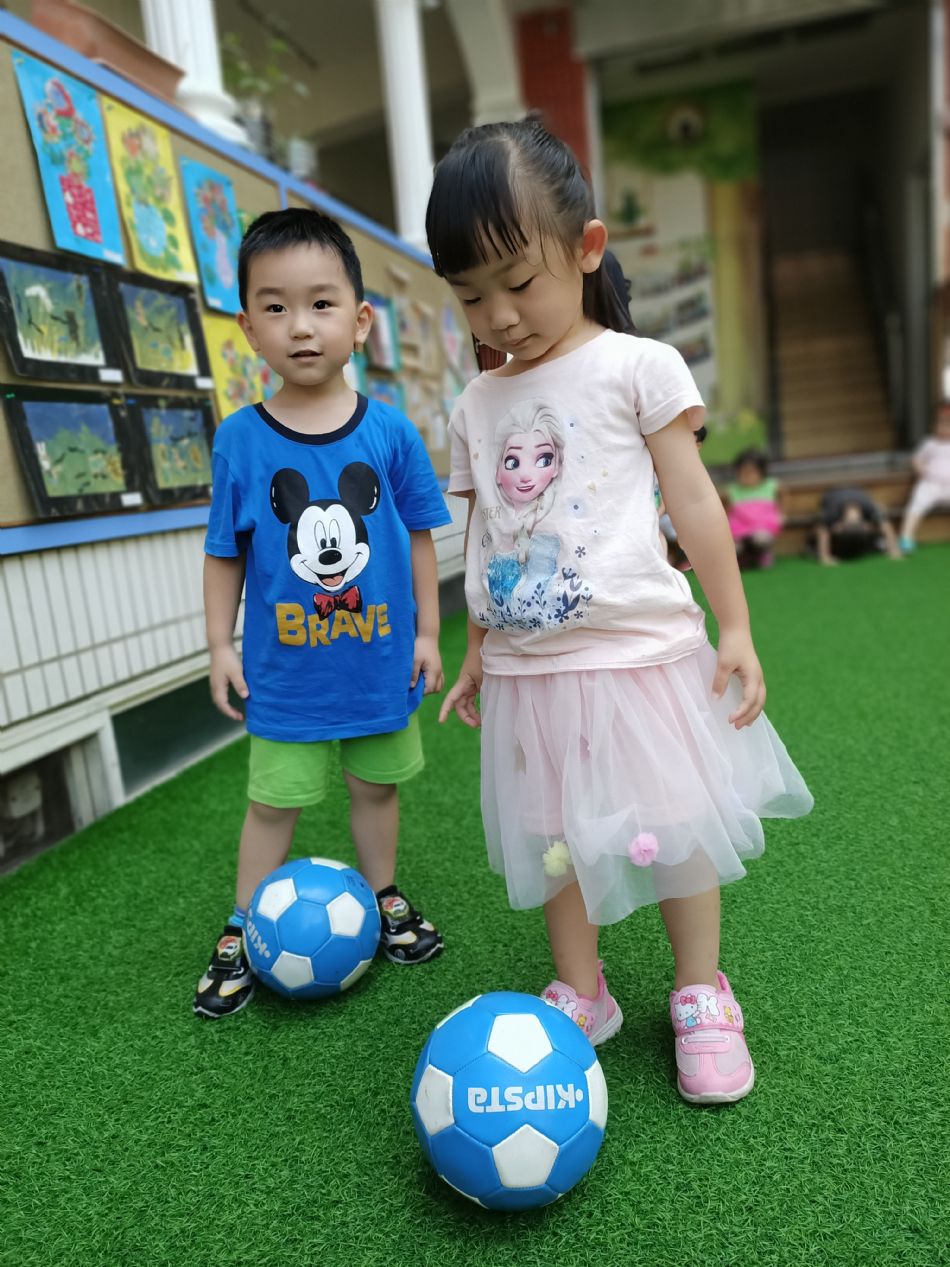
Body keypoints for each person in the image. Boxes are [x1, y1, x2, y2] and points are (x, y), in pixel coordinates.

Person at [427, 118, 813, 1105]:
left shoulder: (639, 366)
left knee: (676, 826)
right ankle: (583, 989)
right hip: (529, 674)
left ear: (586, 248)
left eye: (519, 282)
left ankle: (700, 991)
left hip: (640, 658)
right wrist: (475, 651)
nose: (499, 314)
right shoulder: (474, 405)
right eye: (470, 294)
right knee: (553, 837)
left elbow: (694, 501)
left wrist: (734, 624)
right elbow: (485, 541)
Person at [194, 209, 452, 1019]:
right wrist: (218, 644)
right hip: (285, 674)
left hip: (378, 664)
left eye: (321, 304)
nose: (300, 326)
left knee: (376, 789)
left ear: (360, 320)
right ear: (248, 328)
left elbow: (418, 536)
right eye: (275, 307)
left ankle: (384, 895)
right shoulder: (240, 440)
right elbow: (224, 551)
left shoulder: (391, 432)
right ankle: (243, 925)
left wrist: (429, 631)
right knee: (273, 801)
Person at [898, 410, 950, 552]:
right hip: (931, 483)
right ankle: (906, 537)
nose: (944, 428)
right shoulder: (930, 443)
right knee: (917, 503)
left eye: (948, 425)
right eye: (941, 424)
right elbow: (916, 458)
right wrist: (919, 469)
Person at [723, 449, 784, 569]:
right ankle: (743, 558)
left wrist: (782, 513)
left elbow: (784, 495)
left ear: (762, 472)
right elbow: (726, 507)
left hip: (763, 526)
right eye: (743, 472)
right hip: (739, 527)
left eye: (751, 472)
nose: (747, 476)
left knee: (760, 540)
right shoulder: (731, 490)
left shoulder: (771, 485)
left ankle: (762, 554)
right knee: (734, 547)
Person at [814, 487, 902, 565]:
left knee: (880, 512)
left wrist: (894, 549)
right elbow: (822, 530)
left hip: (858, 490)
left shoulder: (870, 508)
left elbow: (885, 525)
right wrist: (825, 557)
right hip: (831, 493)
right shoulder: (832, 511)